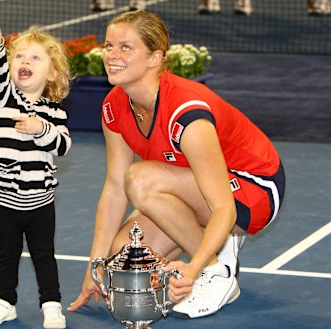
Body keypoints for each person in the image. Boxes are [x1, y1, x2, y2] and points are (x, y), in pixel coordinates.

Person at [67, 9, 285, 319]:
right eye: (108, 46)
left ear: (155, 58)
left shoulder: (186, 112)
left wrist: (194, 269)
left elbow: (224, 207)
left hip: (254, 187)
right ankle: (216, 244)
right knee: (123, 256)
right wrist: (96, 265)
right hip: (196, 184)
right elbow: (115, 189)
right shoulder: (114, 107)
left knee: (141, 179)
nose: (112, 55)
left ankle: (217, 271)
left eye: (126, 47)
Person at [0, 7, 72, 328]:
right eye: (20, 57)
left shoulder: (55, 113)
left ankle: (51, 304)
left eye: (35, 58)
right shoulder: (3, 99)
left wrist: (41, 130)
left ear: (52, 74)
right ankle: (5, 302)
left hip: (40, 203)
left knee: (44, 256)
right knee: (6, 256)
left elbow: (63, 145)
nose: (25, 63)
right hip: (3, 202)